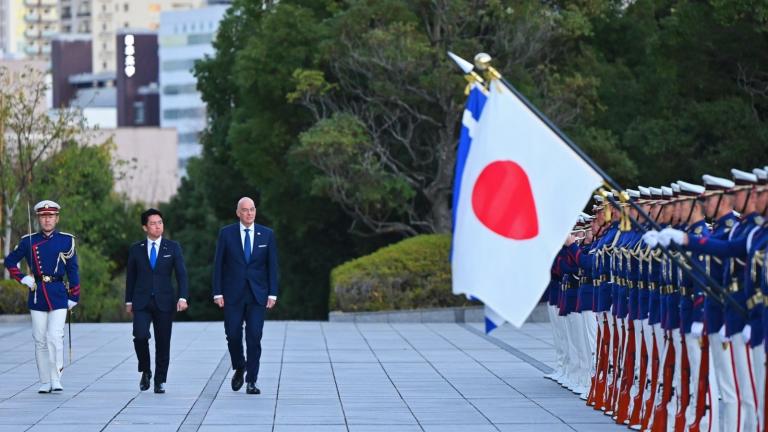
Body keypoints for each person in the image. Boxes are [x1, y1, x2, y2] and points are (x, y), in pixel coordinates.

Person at [4, 200, 80, 393]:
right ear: (38, 218)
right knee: (39, 339)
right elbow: (10, 261)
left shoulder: (66, 240)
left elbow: (73, 269)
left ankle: (56, 377)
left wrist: (74, 295)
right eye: (44, 216)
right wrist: (22, 279)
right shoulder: (28, 240)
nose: (47, 220)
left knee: (55, 336)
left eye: (51, 216)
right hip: (37, 294)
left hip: (58, 293)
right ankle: (45, 381)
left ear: (57, 218)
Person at [212, 197, 278, 395]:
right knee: (232, 334)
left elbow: (272, 266)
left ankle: (251, 381)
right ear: (238, 212)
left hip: (258, 294)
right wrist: (217, 292)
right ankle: (240, 365)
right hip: (232, 294)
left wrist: (273, 293)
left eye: (252, 210)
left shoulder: (267, 235)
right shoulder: (226, 234)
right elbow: (218, 265)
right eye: (245, 210)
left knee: (254, 337)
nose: (249, 213)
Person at [125, 208, 189, 394]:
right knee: (140, 335)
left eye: (160, 222)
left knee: (163, 342)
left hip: (164, 302)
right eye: (152, 223)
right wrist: (129, 301)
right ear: (145, 227)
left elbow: (182, 275)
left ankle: (160, 380)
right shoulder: (136, 249)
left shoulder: (173, 247)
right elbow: (131, 277)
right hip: (141, 301)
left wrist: (183, 297)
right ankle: (145, 370)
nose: (157, 226)